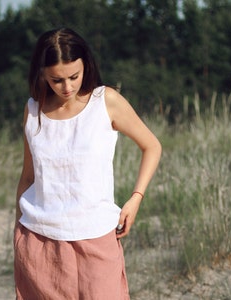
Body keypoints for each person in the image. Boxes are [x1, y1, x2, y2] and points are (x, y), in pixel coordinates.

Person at [14, 27, 162, 300]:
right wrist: (18, 232)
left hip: (96, 235)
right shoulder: (33, 109)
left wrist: (135, 199)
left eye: (74, 76)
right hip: (38, 238)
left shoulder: (105, 102)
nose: (67, 87)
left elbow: (152, 146)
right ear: (42, 73)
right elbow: (28, 175)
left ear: (86, 66)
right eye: (56, 80)